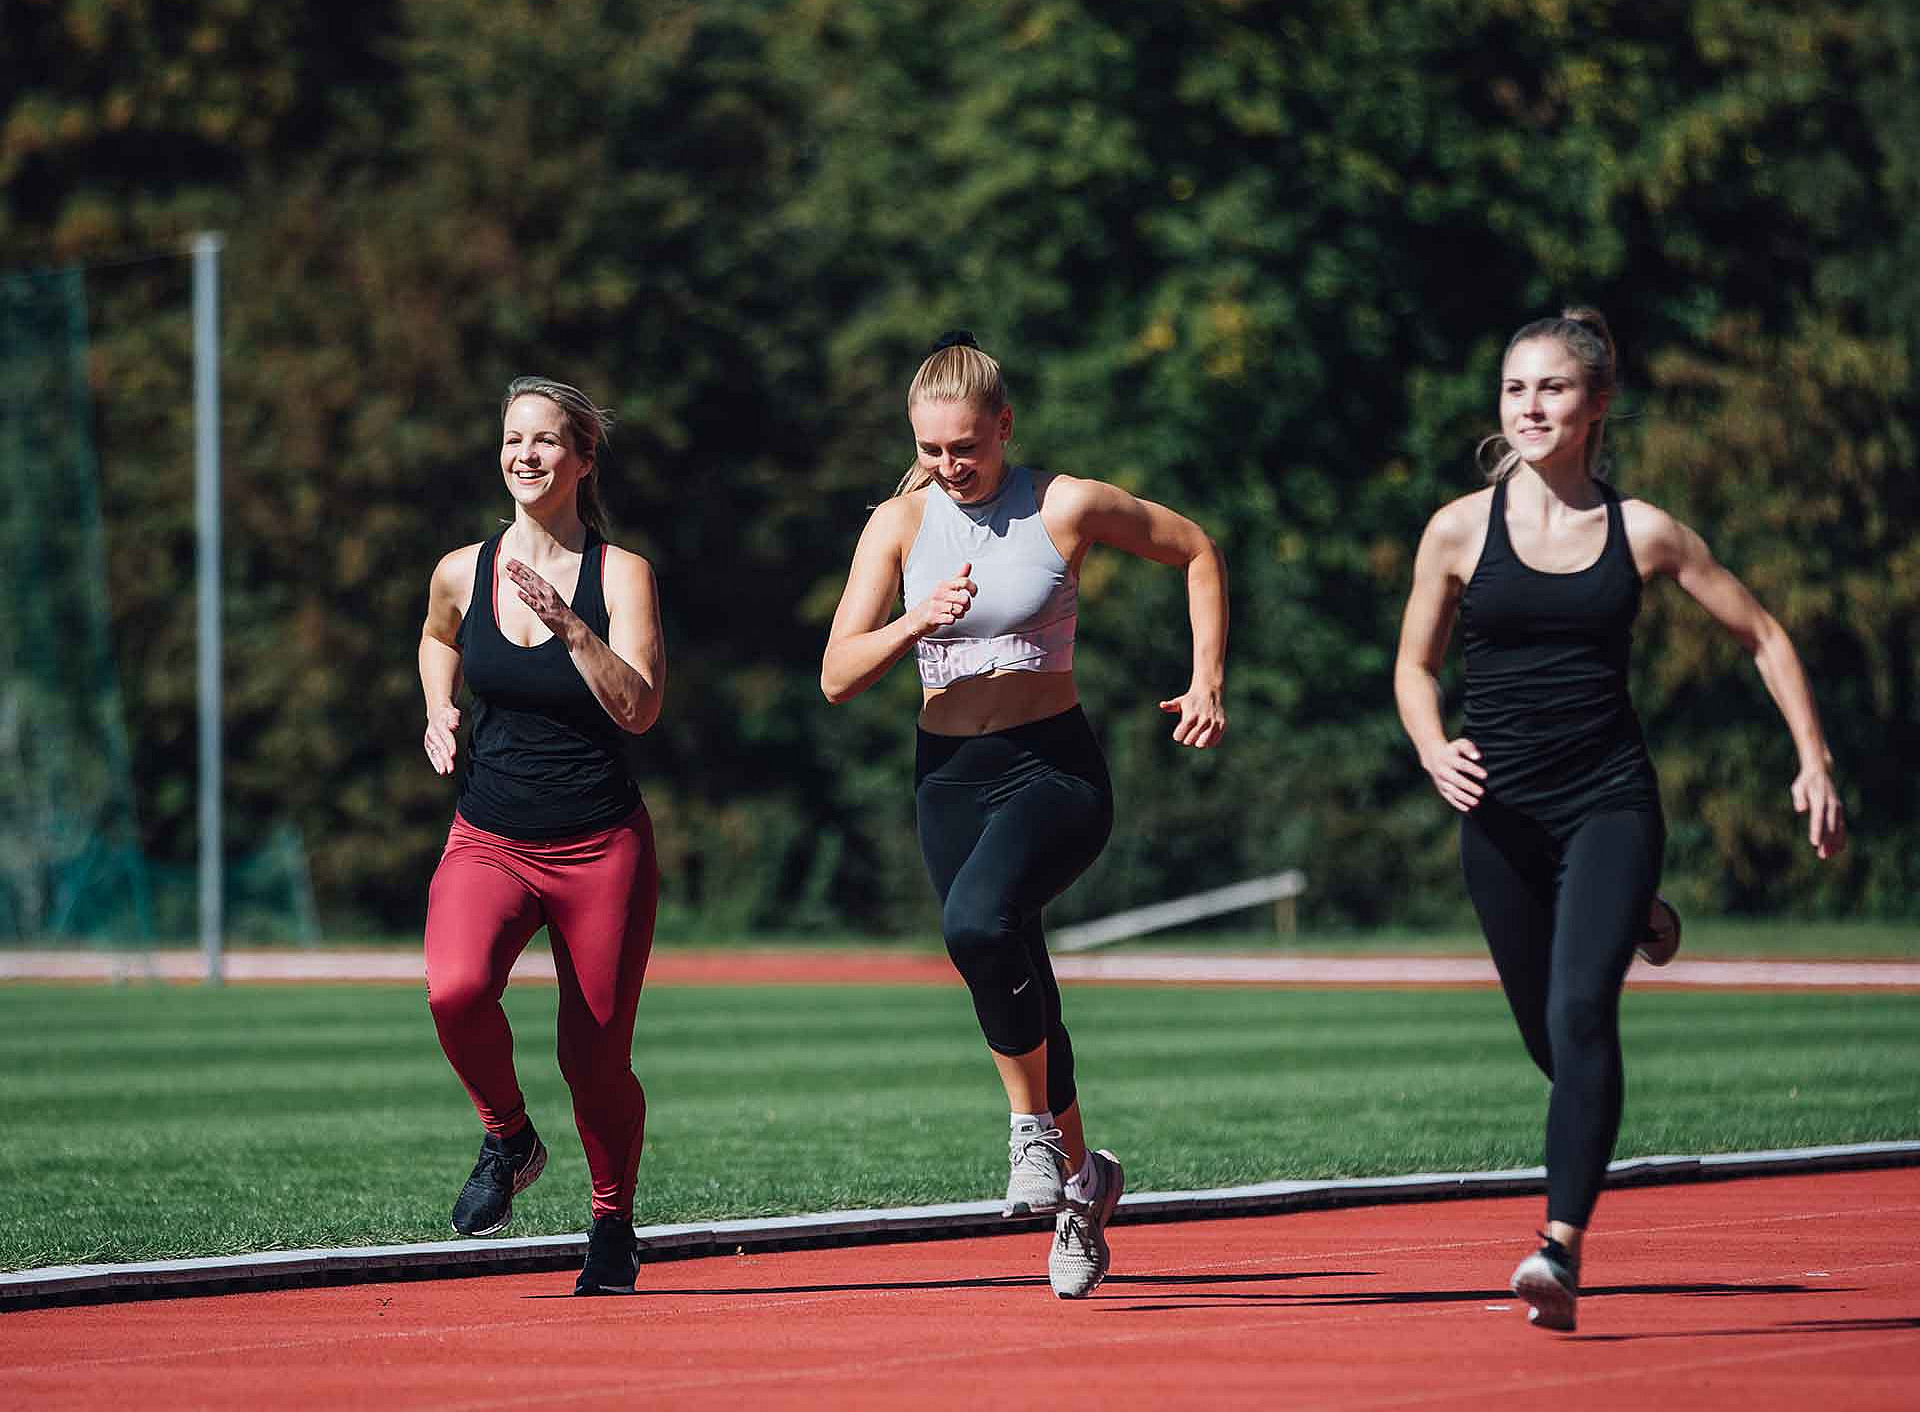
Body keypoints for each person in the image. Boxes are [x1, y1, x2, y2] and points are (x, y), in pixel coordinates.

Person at [1393, 307, 1845, 1332]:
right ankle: (1641, 913)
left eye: (1552, 387)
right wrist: (1431, 746)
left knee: (1583, 1016)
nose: (1531, 405)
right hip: (1498, 812)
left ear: (1596, 404)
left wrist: (1812, 758)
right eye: (1516, 388)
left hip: (1608, 799)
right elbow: (1414, 665)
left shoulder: (1645, 532)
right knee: (1552, 1041)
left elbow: (1765, 634)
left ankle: (1559, 1245)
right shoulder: (1460, 528)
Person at [821, 331, 1229, 1299]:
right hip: (949, 775)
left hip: (1054, 770)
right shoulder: (896, 524)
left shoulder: (1064, 503)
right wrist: (916, 620)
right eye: (931, 449)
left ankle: (1031, 1137)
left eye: (966, 446)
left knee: (976, 922)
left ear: (1004, 428)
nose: (949, 465)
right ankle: (1085, 1189)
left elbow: (1196, 550)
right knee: (1011, 962)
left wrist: (1206, 676)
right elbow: (838, 674)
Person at [418, 376, 666, 1296]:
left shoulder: (620, 574)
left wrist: (571, 628)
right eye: (513, 439)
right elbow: (439, 635)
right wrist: (439, 707)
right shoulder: (462, 567)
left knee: (595, 1060)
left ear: (584, 459)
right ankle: (509, 1137)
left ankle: (612, 1222)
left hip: (601, 846)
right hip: (489, 833)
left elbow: (641, 708)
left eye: (547, 441)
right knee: (454, 990)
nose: (525, 454)